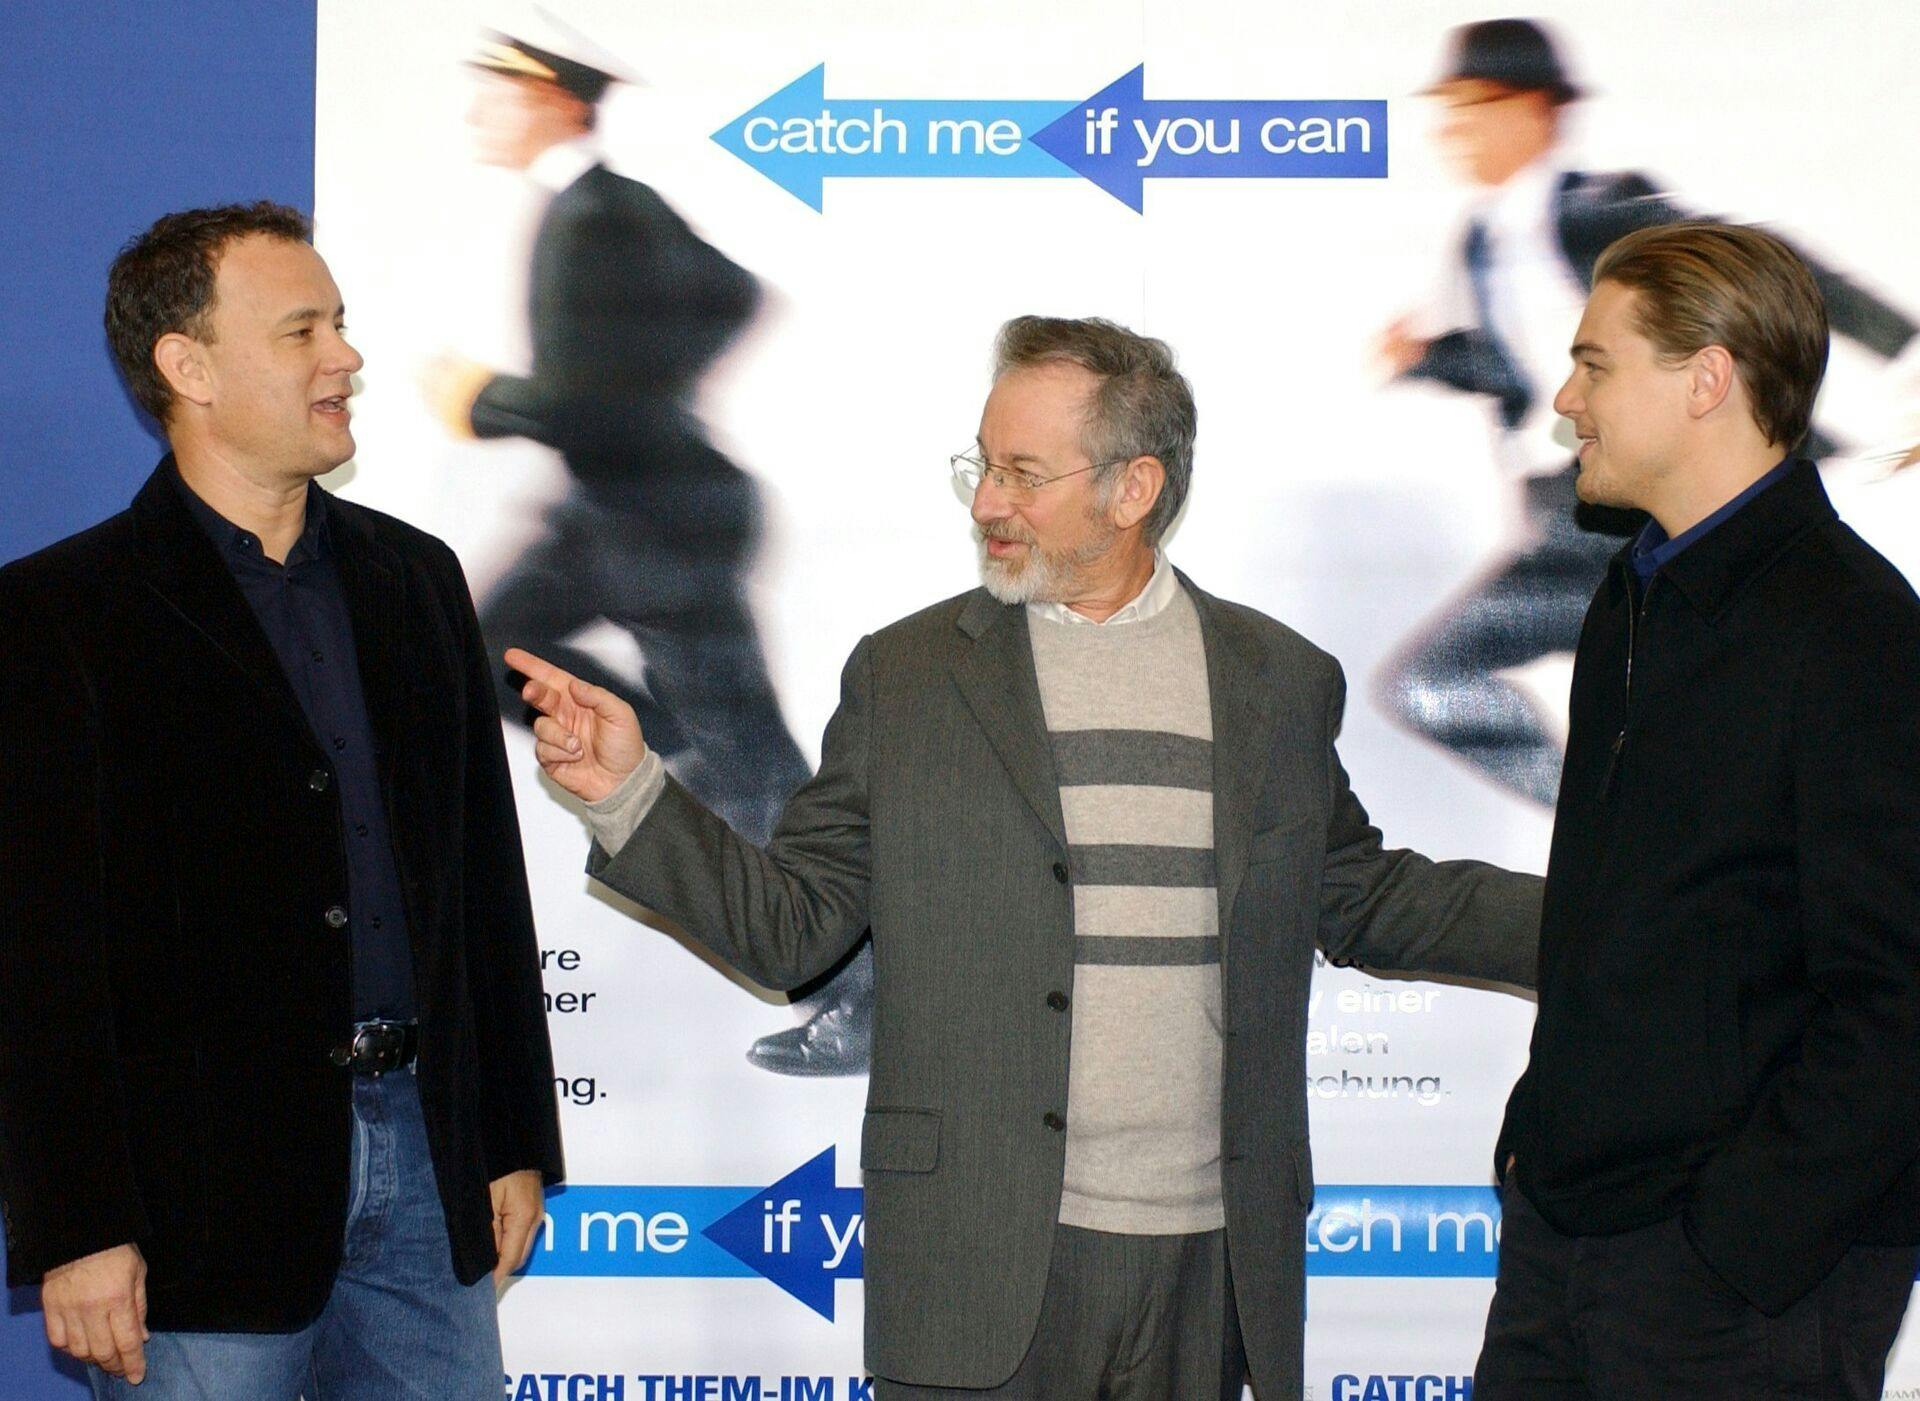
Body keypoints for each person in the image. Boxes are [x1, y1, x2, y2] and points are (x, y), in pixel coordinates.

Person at [511, 316, 1542, 1398]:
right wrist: (631, 793)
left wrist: (1608, 921)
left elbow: (1364, 894)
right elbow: (792, 929)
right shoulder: (907, 678)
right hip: (982, 1264)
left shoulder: (1277, 680)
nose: (986, 503)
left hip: (1211, 1268)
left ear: (1134, 488)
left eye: (1021, 474)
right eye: (981, 464)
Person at [0, 202, 564, 1399]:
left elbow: (482, 885)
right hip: (194, 1206)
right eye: (301, 330)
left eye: (340, 324)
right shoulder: (58, 615)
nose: (344, 358)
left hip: (430, 1167)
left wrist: (512, 1138)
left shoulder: (418, 579)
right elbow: (37, 955)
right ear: (186, 366)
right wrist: (76, 1224)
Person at [1474, 223, 1920, 1399]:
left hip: (1736, 1283)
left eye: (1597, 363)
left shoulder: (1856, 633)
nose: (1566, 398)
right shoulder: (1632, 594)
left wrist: (1738, 1241)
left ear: (1707, 378)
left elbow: (1900, 997)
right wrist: (1543, 1128)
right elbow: (1619, 914)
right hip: (1565, 1236)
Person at [422, 23, 869, 1077]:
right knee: (483, 646)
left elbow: (580, 398)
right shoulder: (607, 203)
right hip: (617, 511)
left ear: (555, 98)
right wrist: (653, 393)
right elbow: (734, 297)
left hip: (662, 522)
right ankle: (676, 752)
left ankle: (867, 997)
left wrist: (479, 399)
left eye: (500, 91)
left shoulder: (594, 215)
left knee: (762, 777)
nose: (481, 110)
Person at [1375, 17, 1918, 806]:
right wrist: (1427, 358)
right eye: (1449, 111)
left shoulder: (1603, 207)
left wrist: (1904, 349)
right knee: (1438, 684)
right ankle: (1613, 818)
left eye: (1475, 106)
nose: (1456, 130)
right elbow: (1523, 373)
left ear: (1536, 110)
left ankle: (1620, 822)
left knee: (1449, 680)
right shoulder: (1481, 242)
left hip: (1634, 515)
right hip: (1565, 514)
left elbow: (1768, 266)